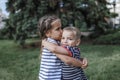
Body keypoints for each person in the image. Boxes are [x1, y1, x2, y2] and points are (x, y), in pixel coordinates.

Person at [38, 15, 88, 80]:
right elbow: (67, 59)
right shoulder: (50, 43)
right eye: (58, 29)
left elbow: (71, 55)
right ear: (48, 33)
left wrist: (81, 59)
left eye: (61, 28)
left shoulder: (57, 42)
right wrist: (81, 64)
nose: (61, 31)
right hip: (50, 77)